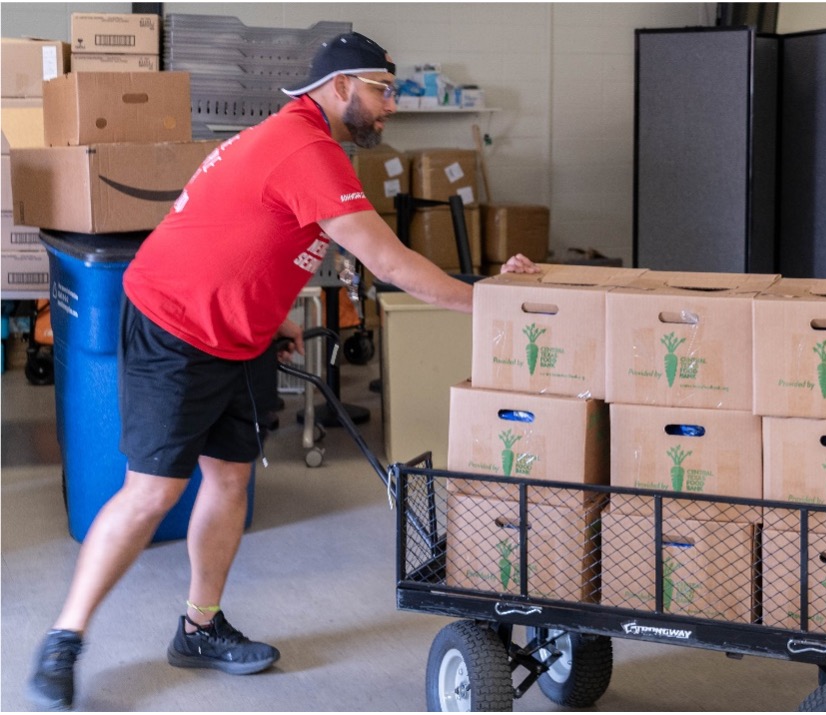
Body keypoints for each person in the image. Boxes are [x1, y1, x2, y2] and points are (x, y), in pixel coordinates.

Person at [27, 31, 538, 711]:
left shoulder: (292, 140)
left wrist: (268, 314)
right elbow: (387, 264)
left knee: (230, 476)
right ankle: (63, 638)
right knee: (151, 492)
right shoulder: (306, 149)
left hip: (236, 331)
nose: (391, 105)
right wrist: (492, 304)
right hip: (175, 326)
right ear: (338, 88)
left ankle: (199, 627)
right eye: (382, 90)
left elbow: (246, 231)